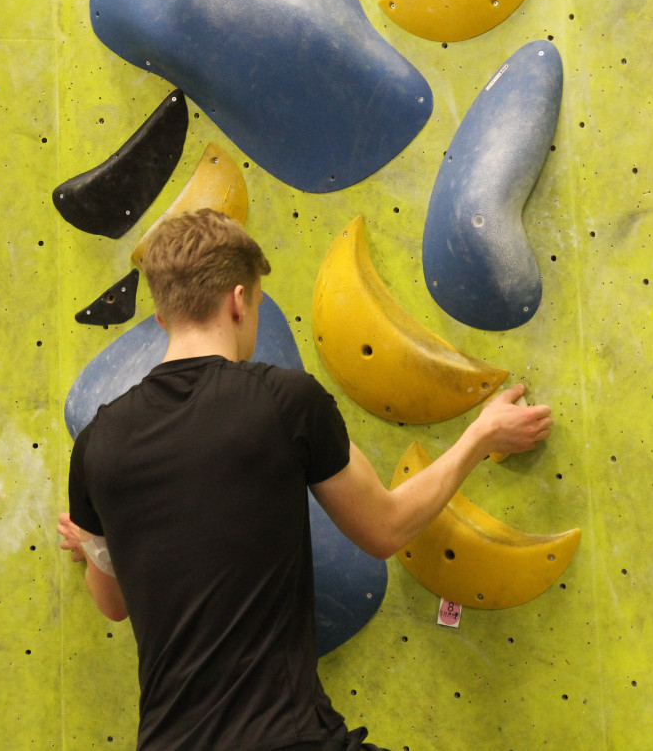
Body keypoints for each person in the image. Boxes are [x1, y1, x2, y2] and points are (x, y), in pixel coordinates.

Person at [57, 208, 553, 751]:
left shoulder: (97, 445)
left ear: (161, 316)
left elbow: (111, 601)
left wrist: (92, 542)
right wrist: (480, 437)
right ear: (239, 301)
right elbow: (385, 530)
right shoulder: (283, 401)